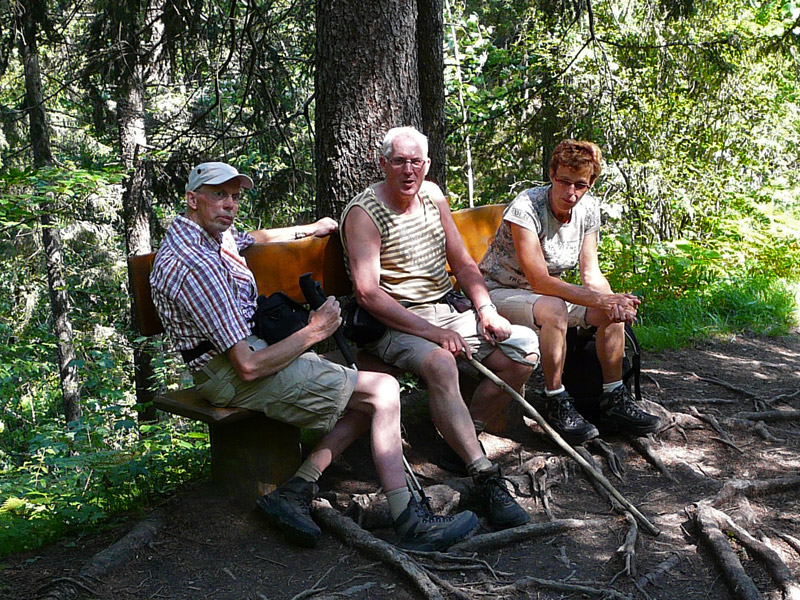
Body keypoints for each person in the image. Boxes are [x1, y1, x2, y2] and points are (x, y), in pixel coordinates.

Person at [150, 161, 478, 552]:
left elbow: (249, 239)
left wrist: (310, 229)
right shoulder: (196, 266)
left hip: (249, 352)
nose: (230, 205)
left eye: (235, 196)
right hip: (230, 374)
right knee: (383, 391)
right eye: (219, 195)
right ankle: (410, 522)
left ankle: (297, 488)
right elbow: (248, 368)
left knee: (368, 383)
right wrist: (315, 332)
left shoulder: (206, 236)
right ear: (192, 199)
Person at [341, 127, 539, 530]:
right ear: (383, 164)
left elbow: (464, 264)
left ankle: (462, 439)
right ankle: (483, 474)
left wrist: (486, 309)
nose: (408, 170)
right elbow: (368, 294)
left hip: (449, 311)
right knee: (441, 364)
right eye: (398, 161)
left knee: (525, 349)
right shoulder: (364, 213)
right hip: (393, 321)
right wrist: (434, 334)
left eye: (416, 161)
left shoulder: (432, 196)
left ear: (427, 164)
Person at [479, 140, 661, 445]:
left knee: (606, 312)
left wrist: (613, 302)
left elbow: (591, 273)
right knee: (555, 308)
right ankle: (555, 399)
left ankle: (614, 397)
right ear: (552, 174)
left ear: (590, 184)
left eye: (580, 185)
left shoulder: (588, 209)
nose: (571, 192)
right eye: (564, 181)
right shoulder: (526, 208)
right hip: (501, 291)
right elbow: (540, 281)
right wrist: (601, 299)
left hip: (547, 294)